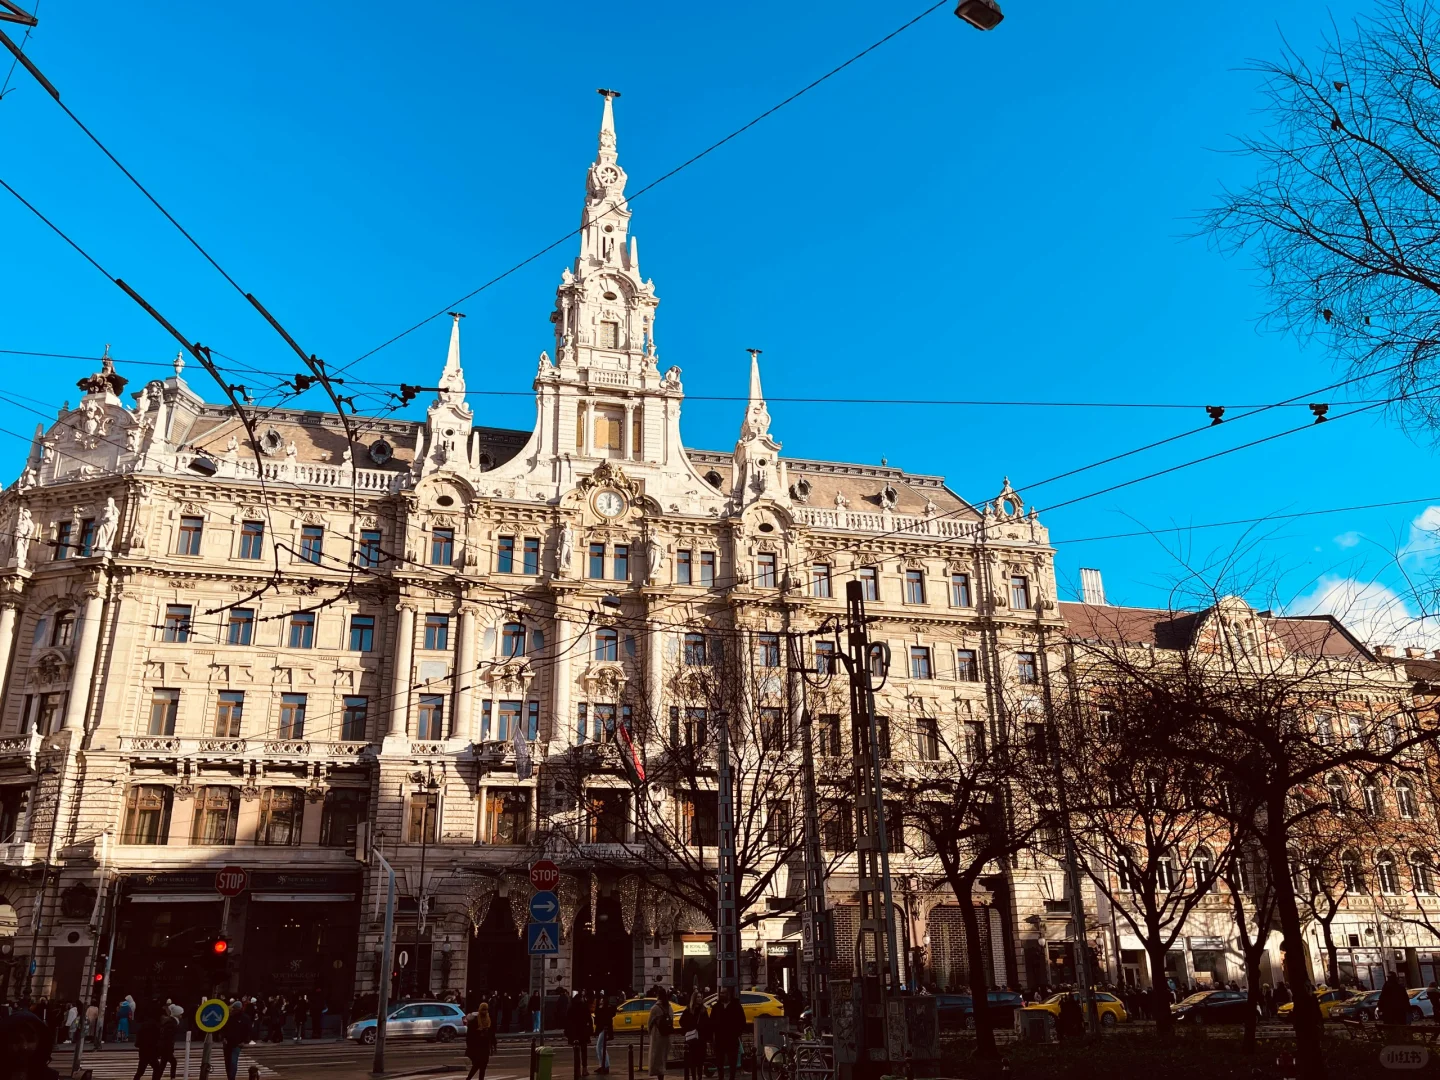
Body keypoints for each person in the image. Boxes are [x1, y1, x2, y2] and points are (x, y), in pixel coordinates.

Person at [710, 987, 745, 1080]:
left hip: (732, 1039)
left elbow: (742, 1021)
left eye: (723, 993)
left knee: (732, 1063)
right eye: (720, 993)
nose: (721, 995)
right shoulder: (716, 1007)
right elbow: (712, 1022)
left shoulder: (736, 1006)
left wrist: (737, 1033)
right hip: (719, 1040)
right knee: (719, 1063)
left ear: (728, 994)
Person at [221, 999, 255, 1080]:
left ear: (238, 1009)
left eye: (234, 1009)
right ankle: (229, 1077)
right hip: (227, 1043)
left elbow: (249, 1031)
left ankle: (232, 1078)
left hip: (237, 1043)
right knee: (227, 1062)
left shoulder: (245, 1018)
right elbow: (224, 1028)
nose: (232, 1010)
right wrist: (223, 1037)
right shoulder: (229, 1017)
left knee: (233, 1062)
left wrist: (244, 1041)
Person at [679, 991, 708, 1080]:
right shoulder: (688, 1010)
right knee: (692, 1062)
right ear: (694, 999)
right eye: (698, 997)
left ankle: (699, 1077)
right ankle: (694, 1077)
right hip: (691, 1040)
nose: (700, 999)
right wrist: (690, 1028)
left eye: (700, 997)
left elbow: (707, 1023)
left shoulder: (703, 1010)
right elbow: (682, 1021)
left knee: (700, 1062)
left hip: (701, 1039)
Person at [465, 1003, 497, 1080]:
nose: (485, 1011)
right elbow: (470, 1035)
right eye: (483, 1009)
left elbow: (492, 1033)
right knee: (477, 1064)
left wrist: (494, 1045)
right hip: (477, 1046)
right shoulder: (475, 1020)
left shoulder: (489, 1019)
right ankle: (468, 1078)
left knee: (483, 1066)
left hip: (486, 1046)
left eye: (486, 1009)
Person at [132, 1003, 163, 1080]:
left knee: (141, 1070)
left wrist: (138, 1044)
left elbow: (139, 1039)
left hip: (143, 1051)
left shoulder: (143, 1026)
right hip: (152, 1051)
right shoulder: (156, 1026)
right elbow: (158, 1039)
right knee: (157, 1068)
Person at [566, 990, 593, 1077]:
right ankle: (584, 1069)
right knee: (584, 1051)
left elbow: (567, 1021)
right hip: (583, 1032)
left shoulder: (571, 1007)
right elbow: (589, 1019)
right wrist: (590, 1030)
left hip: (574, 1033)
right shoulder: (584, 1006)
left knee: (576, 1052)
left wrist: (567, 1032)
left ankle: (576, 1070)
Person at [647, 988, 673, 1080]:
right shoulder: (669, 1007)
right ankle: (662, 1074)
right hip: (666, 1036)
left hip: (657, 1036)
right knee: (663, 1058)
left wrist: (649, 1032)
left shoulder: (655, 1008)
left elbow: (649, 1023)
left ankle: (660, 1076)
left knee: (656, 1058)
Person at [594, 992, 616, 1075]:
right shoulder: (602, 1008)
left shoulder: (606, 1008)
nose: (600, 1001)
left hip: (604, 1029)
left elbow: (604, 1017)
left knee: (599, 1047)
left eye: (602, 1000)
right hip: (602, 1029)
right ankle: (603, 1065)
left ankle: (605, 1065)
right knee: (601, 1047)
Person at [157, 1007, 179, 1080]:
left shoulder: (169, 1022)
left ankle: (157, 1078)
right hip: (166, 1048)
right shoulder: (171, 1024)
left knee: (163, 1064)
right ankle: (172, 1077)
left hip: (165, 1047)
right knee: (173, 1062)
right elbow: (168, 1038)